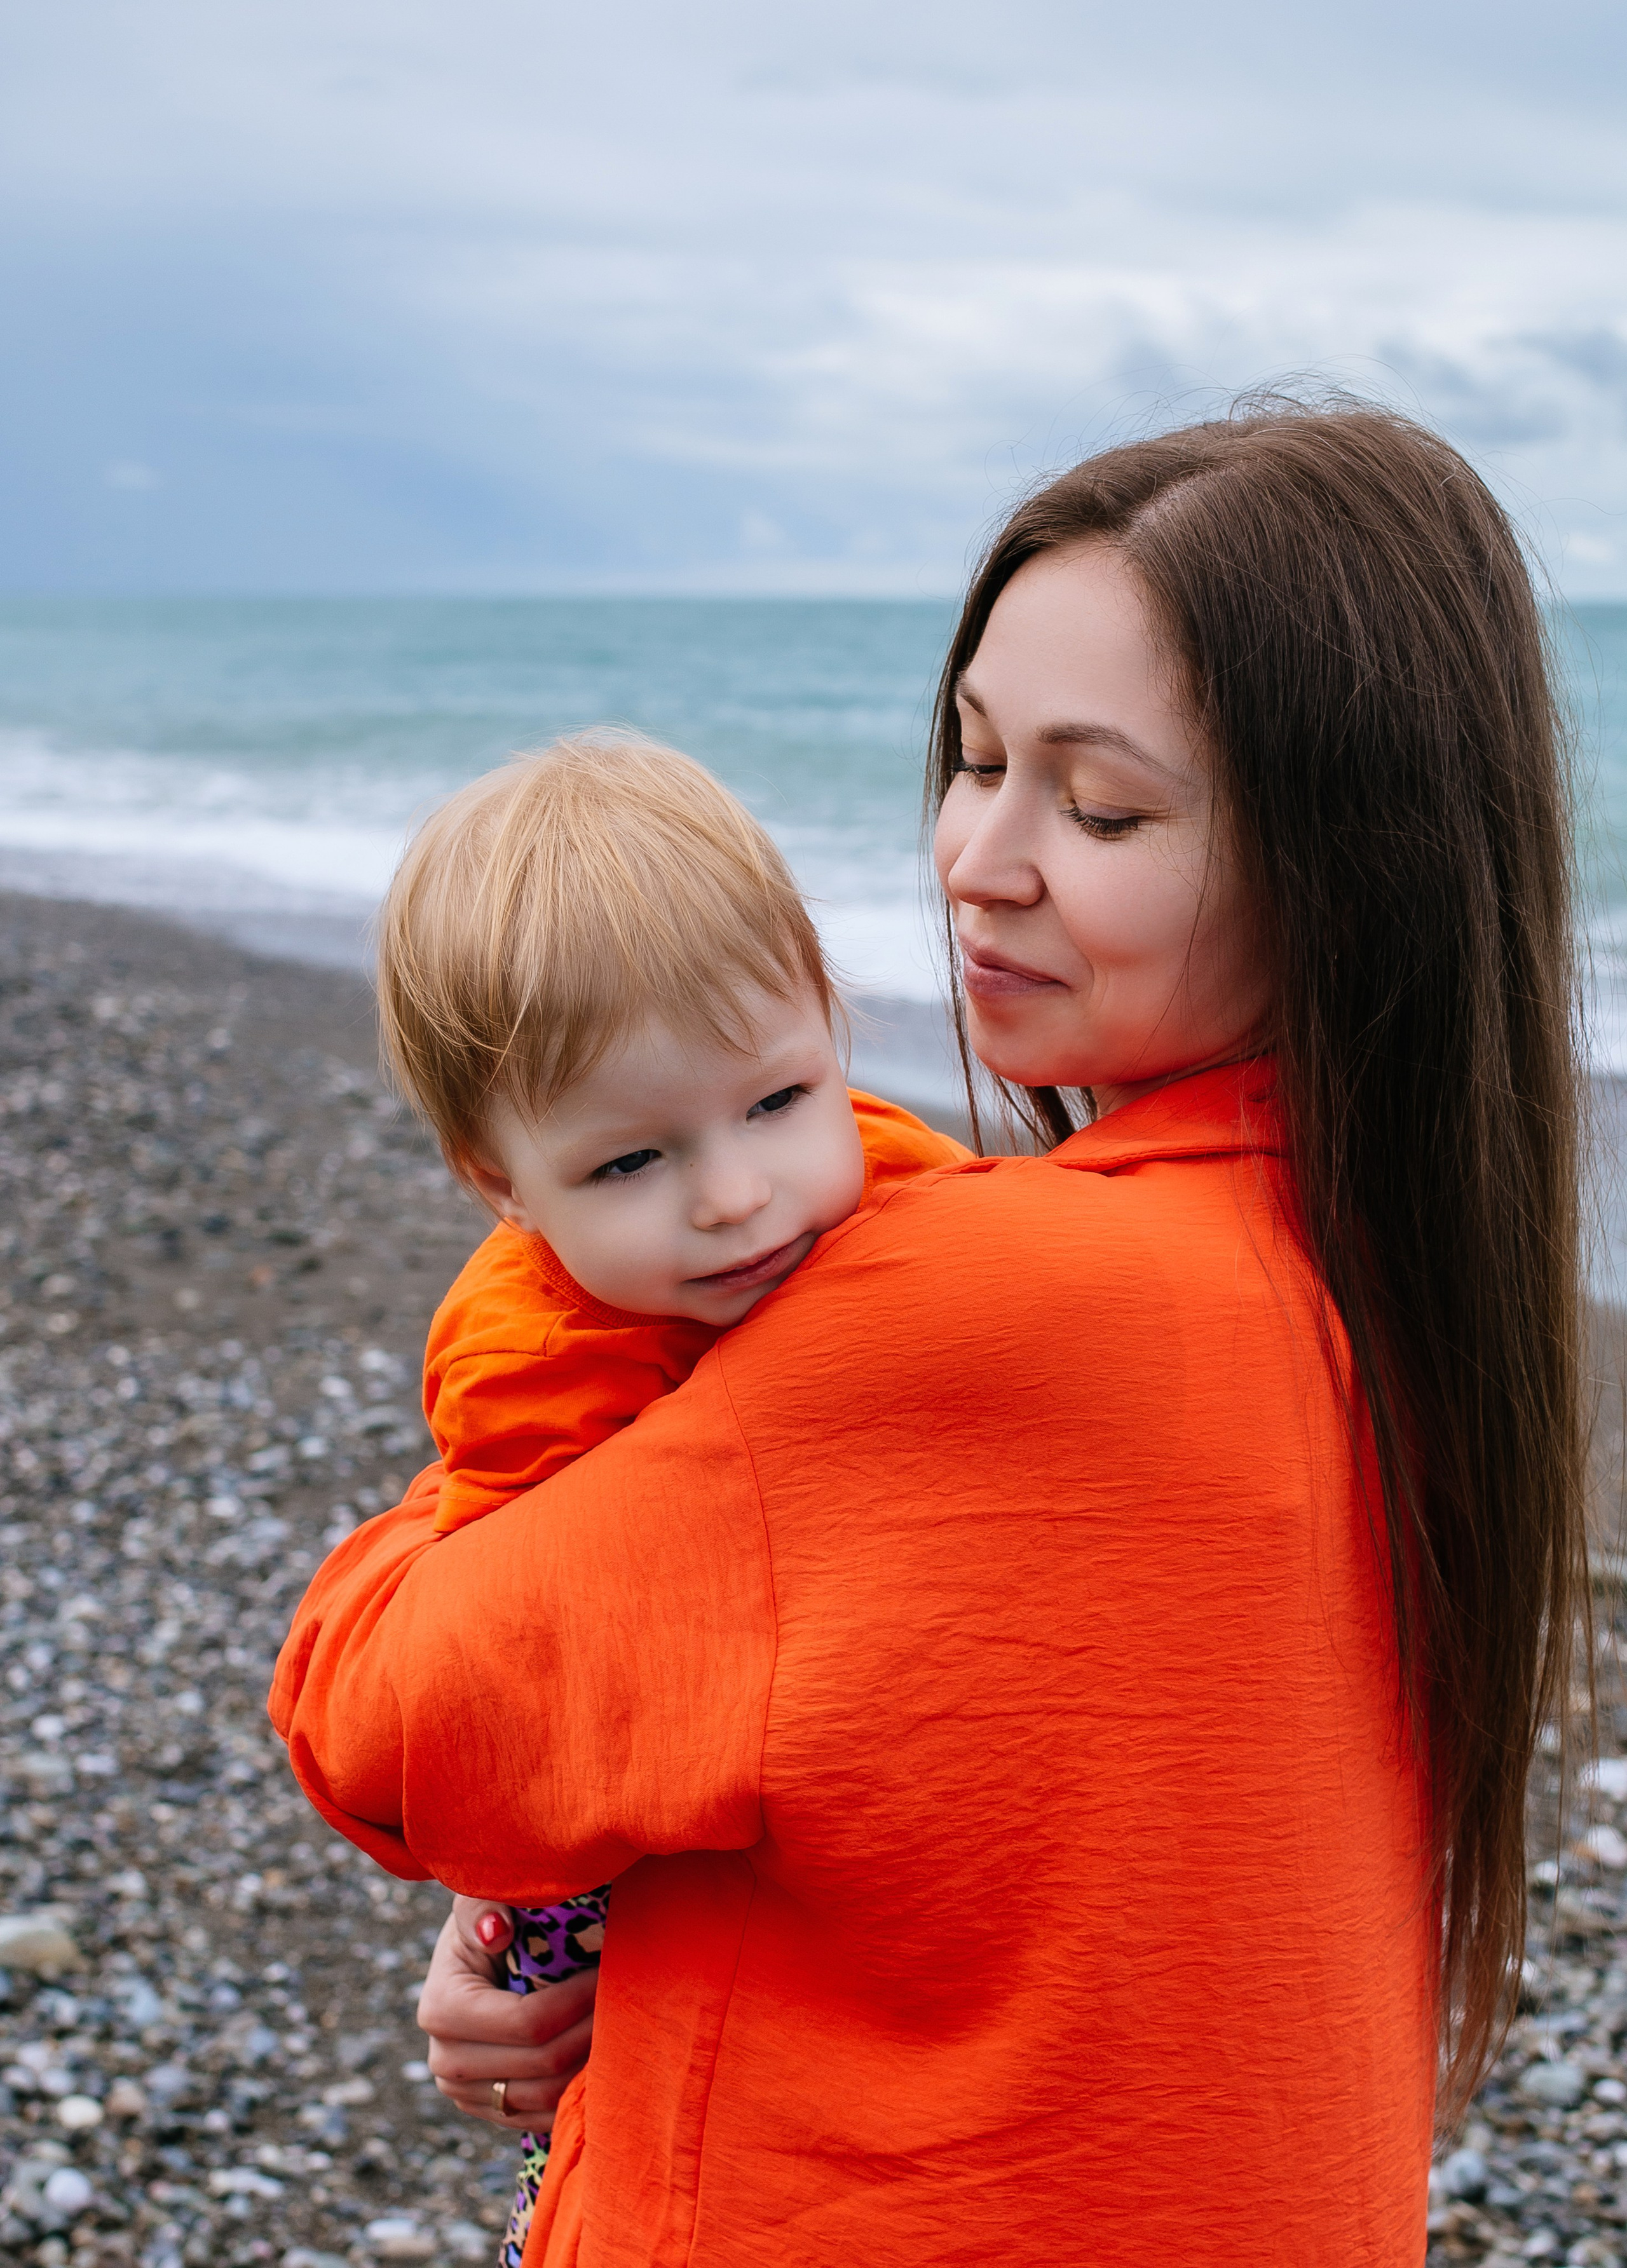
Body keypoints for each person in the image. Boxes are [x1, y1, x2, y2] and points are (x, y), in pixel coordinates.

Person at [271, 399, 1586, 2267]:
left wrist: (495, 1436)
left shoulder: (978, 1302)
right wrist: (579, 1902)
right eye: (972, 760)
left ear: (1350, 867)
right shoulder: (1401, 1278)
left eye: (1101, 803)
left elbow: (394, 1719)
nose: (978, 854)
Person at [366, 735, 968, 2263]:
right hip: (634, 1846)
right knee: (583, 2098)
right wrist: (493, 1920)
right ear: (496, 1180)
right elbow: (515, 1670)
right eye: (630, 1158)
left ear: (830, 1027)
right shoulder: (529, 1362)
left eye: (776, 1101)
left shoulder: (908, 1195)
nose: (730, 1192)